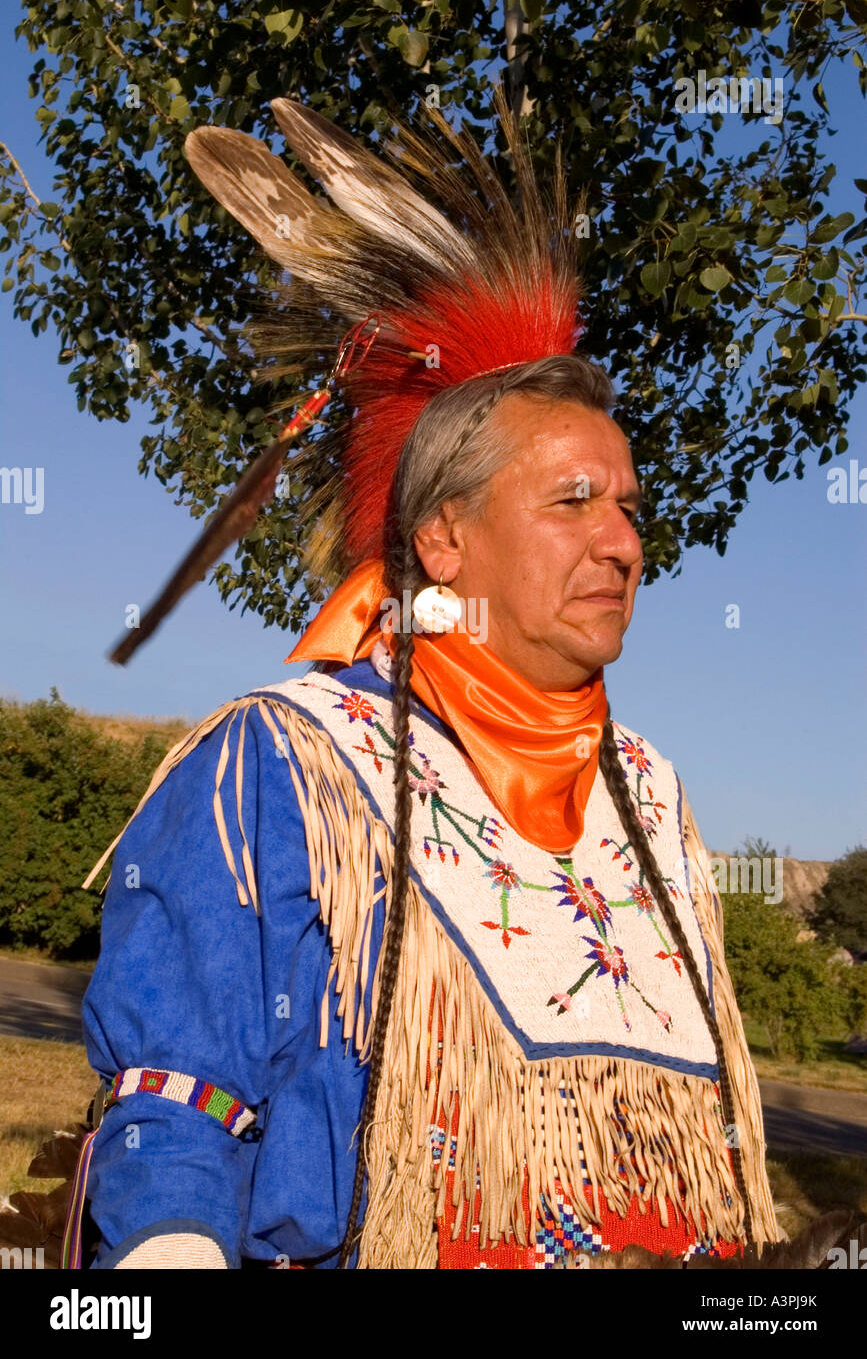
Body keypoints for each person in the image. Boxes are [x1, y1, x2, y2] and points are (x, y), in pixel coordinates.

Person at [77, 90, 781, 1269]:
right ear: (444, 541)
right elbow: (178, 1113)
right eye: (573, 501)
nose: (623, 542)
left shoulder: (650, 798)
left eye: (630, 507)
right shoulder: (288, 765)